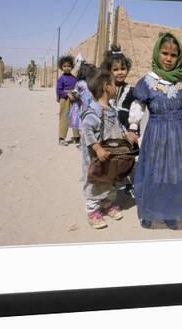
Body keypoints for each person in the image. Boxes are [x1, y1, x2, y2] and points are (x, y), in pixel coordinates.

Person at [128, 32, 182, 230]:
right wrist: (133, 127)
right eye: (164, 53)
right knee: (156, 174)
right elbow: (138, 105)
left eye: (173, 55)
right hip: (155, 135)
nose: (168, 58)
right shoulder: (147, 81)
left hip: (178, 138)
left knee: (174, 175)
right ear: (157, 53)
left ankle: (173, 213)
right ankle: (153, 211)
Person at [79, 69, 137, 229]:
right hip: (97, 157)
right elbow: (87, 130)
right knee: (95, 182)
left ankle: (107, 204)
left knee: (111, 180)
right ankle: (92, 211)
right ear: (106, 87)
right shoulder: (93, 112)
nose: (116, 87)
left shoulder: (111, 108)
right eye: (113, 84)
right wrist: (97, 148)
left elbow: (118, 124)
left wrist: (127, 134)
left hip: (111, 155)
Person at [101, 45, 139, 200]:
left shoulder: (132, 90)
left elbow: (136, 110)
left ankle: (134, 184)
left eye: (123, 68)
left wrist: (132, 130)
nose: (120, 72)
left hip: (127, 131)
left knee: (132, 158)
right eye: (115, 70)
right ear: (109, 70)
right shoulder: (104, 88)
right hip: (109, 131)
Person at [68, 62, 97, 149]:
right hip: (83, 106)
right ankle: (83, 143)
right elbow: (76, 92)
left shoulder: (92, 82)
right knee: (83, 125)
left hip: (91, 105)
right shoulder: (81, 83)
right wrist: (75, 95)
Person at [56, 55, 79, 146]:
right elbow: (59, 91)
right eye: (64, 66)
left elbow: (77, 88)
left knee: (75, 118)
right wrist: (67, 94)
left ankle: (77, 137)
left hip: (74, 100)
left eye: (69, 66)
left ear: (72, 67)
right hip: (65, 100)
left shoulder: (74, 78)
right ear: (61, 67)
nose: (67, 68)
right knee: (64, 118)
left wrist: (76, 94)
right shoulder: (61, 79)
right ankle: (61, 138)